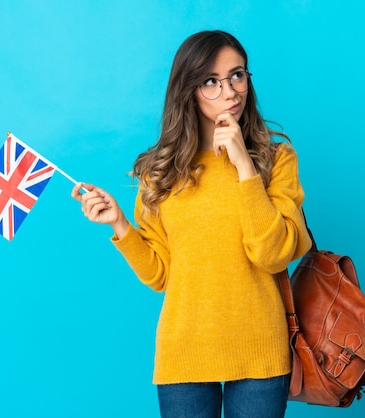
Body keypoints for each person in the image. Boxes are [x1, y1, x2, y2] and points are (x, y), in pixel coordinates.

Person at [71, 30, 311, 418]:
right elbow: (161, 275)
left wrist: (245, 168)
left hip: (260, 351)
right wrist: (119, 224)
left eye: (237, 75)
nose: (230, 91)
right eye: (211, 82)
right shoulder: (159, 173)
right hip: (184, 351)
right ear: (189, 90)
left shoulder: (276, 159)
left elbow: (273, 255)